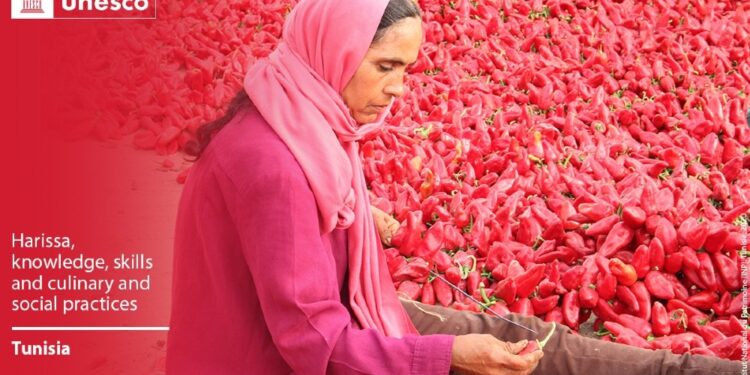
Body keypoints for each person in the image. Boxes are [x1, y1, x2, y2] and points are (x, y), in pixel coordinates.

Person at [166, 0, 742, 374]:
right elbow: (313, 342)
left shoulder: (294, 111)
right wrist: (444, 357)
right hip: (271, 359)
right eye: (385, 66)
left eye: (407, 71)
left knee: (534, 343)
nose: (397, 91)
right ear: (332, 53)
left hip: (332, 322)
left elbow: (298, 249)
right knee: (517, 356)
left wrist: (365, 218)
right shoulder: (277, 163)